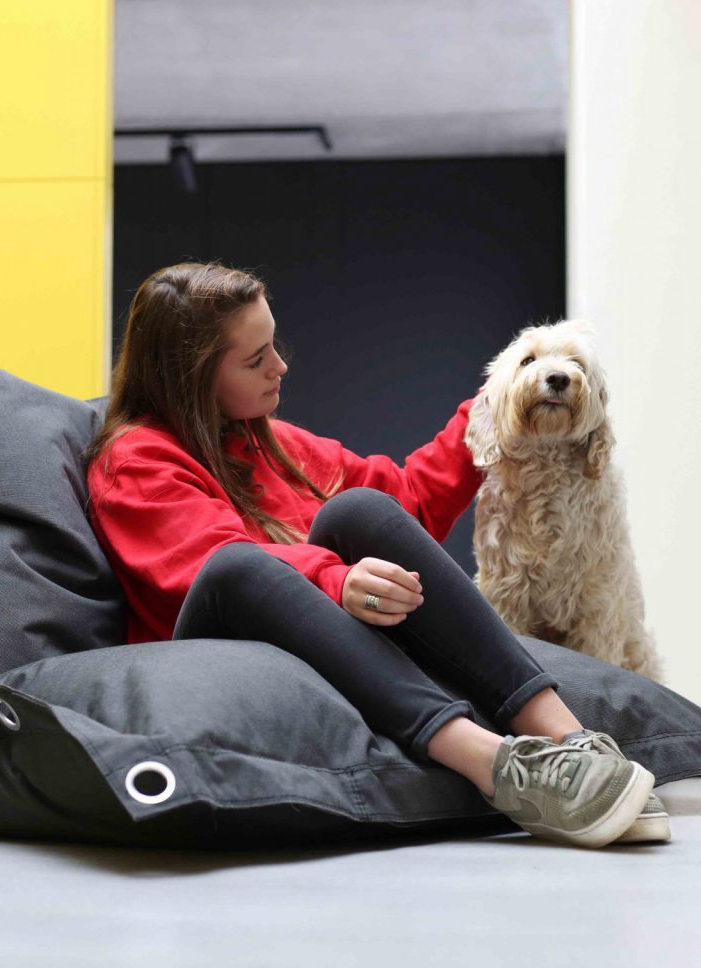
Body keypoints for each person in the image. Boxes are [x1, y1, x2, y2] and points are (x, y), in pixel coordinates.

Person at [84, 261, 666, 849]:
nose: (280, 366)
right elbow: (210, 564)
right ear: (191, 377)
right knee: (240, 567)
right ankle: (500, 768)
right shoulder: (135, 461)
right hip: (212, 636)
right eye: (256, 359)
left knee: (358, 507)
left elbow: (407, 500)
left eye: (275, 346)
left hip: (308, 627)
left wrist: (496, 406)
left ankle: (576, 746)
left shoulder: (270, 442)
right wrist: (335, 581)